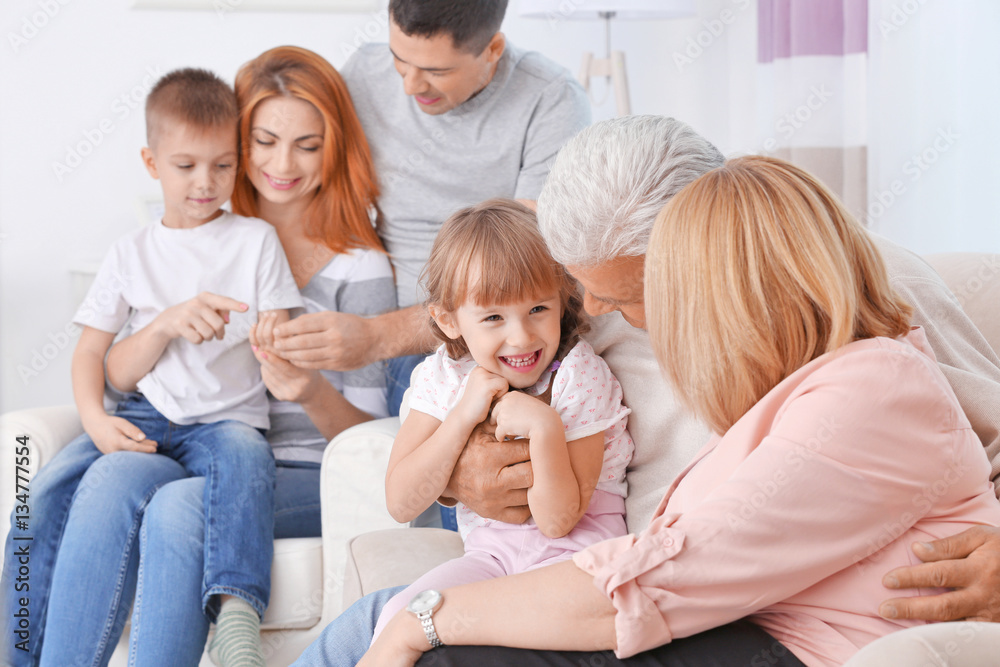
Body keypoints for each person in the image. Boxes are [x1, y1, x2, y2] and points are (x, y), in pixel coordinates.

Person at [292, 115, 1000, 665]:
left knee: (417, 634)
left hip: (661, 586)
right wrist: (458, 470)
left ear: (706, 254)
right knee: (370, 627)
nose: (591, 317)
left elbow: (959, 438)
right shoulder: (591, 300)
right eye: (581, 294)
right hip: (592, 572)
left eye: (623, 298)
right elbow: (481, 308)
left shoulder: (860, 308)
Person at [1, 47, 396, 667]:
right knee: (93, 480)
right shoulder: (200, 239)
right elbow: (109, 362)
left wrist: (308, 388)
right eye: (264, 140)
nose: (281, 164)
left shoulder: (353, 265)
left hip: (292, 464)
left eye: (307, 145)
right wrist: (142, 356)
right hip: (178, 432)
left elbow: (371, 444)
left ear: (334, 148)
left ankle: (232, 617)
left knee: (182, 504)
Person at [267, 0, 591, 418]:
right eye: (399, 61)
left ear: (493, 49)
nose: (410, 86)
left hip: (493, 337)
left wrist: (375, 337)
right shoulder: (364, 73)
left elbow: (521, 270)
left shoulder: (551, 99)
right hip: (388, 330)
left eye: (437, 72)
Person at [372, 199, 633, 639]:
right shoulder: (444, 377)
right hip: (490, 560)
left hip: (575, 562)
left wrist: (546, 427)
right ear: (448, 319)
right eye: (493, 317)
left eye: (538, 310)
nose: (521, 336)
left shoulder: (579, 374)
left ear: (562, 300)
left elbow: (558, 523)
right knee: (398, 618)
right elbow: (401, 502)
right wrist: (461, 417)